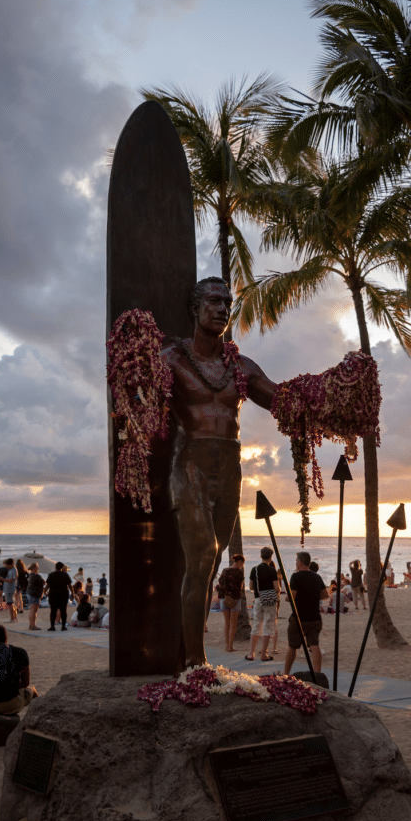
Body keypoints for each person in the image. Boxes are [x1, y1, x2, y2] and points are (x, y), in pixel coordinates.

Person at [160, 277, 278, 667]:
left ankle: (192, 651)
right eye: (213, 301)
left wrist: (333, 394)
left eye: (227, 302)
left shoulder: (240, 367)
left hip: (229, 467)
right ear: (195, 309)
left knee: (213, 559)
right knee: (202, 557)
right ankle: (195, 662)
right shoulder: (172, 360)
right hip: (191, 463)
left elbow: (281, 400)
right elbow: (137, 400)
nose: (222, 308)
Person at [284, 551, 329, 676]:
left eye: (296, 561)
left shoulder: (296, 576)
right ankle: (317, 673)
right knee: (314, 645)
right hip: (315, 617)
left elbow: (292, 596)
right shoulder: (316, 577)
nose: (295, 563)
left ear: (300, 562)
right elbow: (325, 594)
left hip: (300, 617)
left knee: (292, 646)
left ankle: (286, 673)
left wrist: (287, 598)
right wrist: (312, 597)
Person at [0, 625, 38, 715]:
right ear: (5, 639)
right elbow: (26, 683)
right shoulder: (20, 652)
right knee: (32, 690)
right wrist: (8, 685)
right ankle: (36, 719)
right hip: (10, 704)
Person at [246, 547, 280, 661]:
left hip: (258, 599)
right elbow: (277, 588)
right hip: (269, 600)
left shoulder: (254, 569)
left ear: (261, 556)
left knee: (256, 625)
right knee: (268, 625)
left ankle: (251, 653)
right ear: (271, 556)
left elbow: (251, 587)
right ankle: (263, 654)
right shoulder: (272, 570)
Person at [218, 554, 245, 652]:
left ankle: (226, 645)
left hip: (224, 599)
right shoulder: (239, 572)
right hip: (235, 599)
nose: (242, 565)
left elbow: (220, 583)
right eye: (242, 563)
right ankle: (230, 646)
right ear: (239, 562)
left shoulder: (225, 570)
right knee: (233, 623)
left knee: (227, 623)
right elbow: (240, 587)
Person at [44, 561, 73, 631]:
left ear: (55, 567)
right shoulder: (65, 575)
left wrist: (44, 592)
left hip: (53, 595)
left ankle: (52, 626)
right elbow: (70, 585)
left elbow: (47, 585)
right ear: (62, 567)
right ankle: (63, 626)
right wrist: (72, 593)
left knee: (53, 611)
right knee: (63, 611)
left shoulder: (51, 575)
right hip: (63, 595)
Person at [26, 562, 44, 630]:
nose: (38, 568)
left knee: (31, 610)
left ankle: (31, 625)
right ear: (34, 568)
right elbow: (43, 582)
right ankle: (33, 625)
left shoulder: (31, 575)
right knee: (34, 611)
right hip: (35, 594)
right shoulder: (36, 576)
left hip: (30, 593)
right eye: (37, 567)